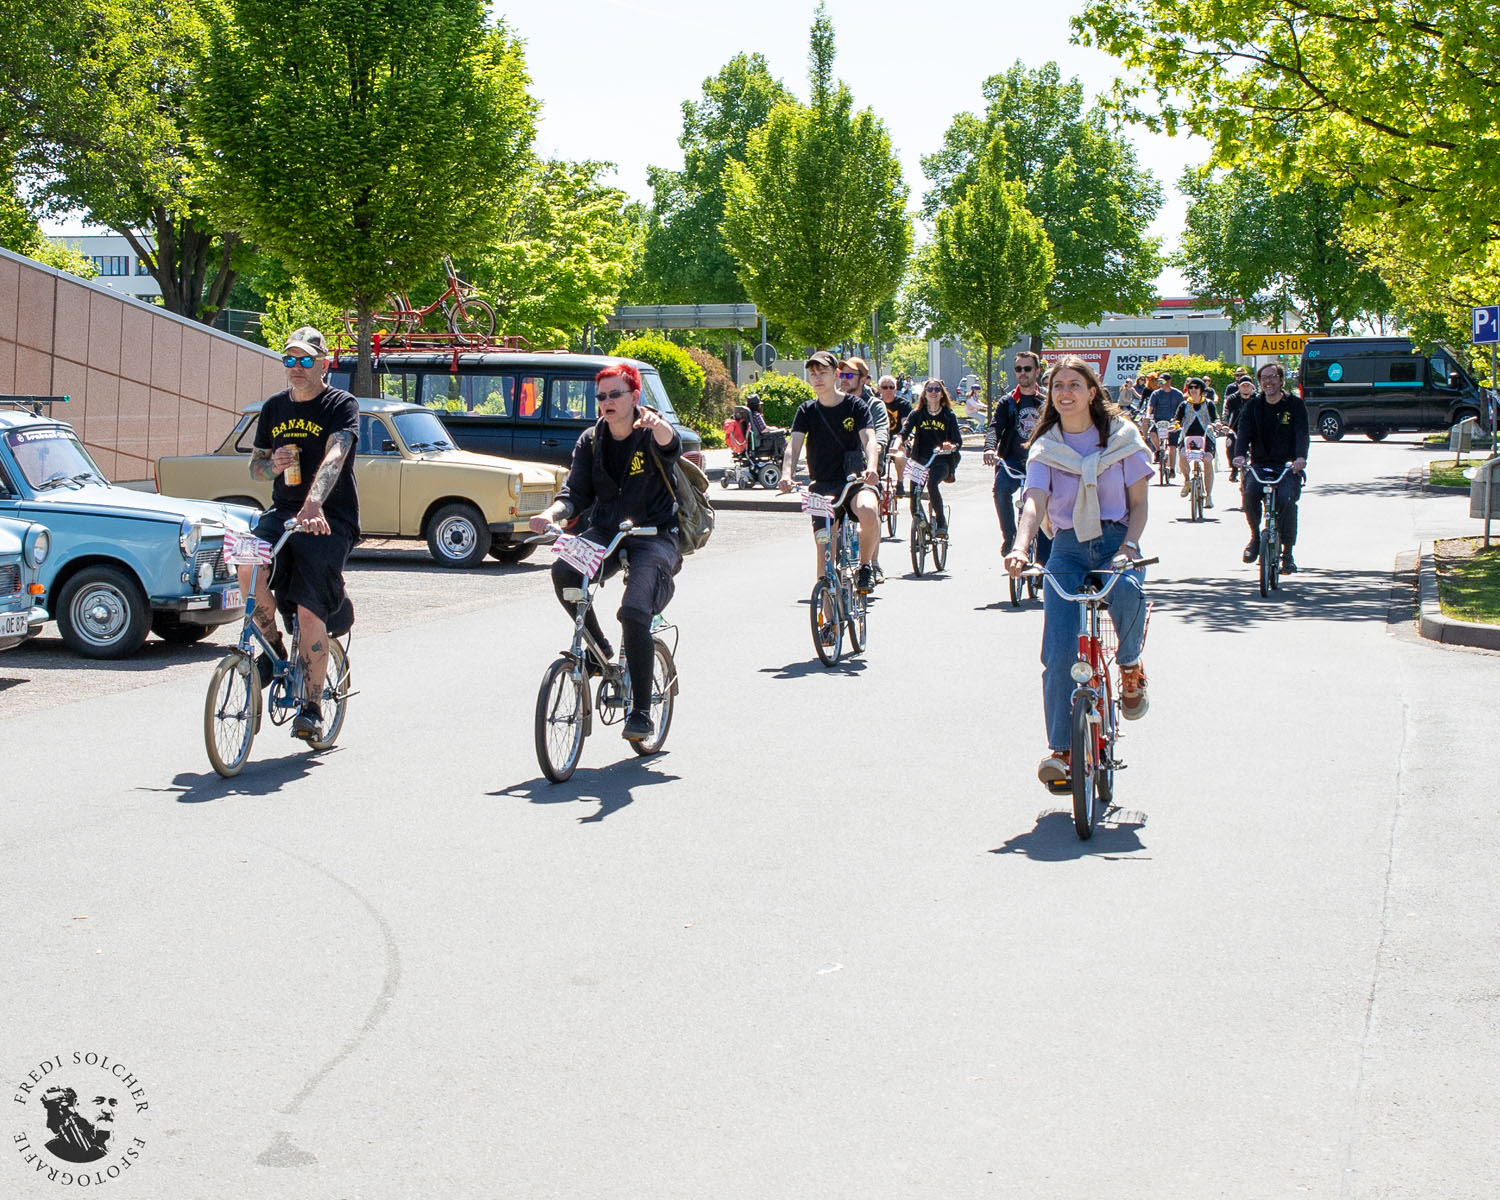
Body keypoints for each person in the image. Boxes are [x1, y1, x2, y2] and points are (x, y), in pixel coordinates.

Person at [1003, 356, 1153, 786]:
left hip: (1116, 538)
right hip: (1067, 548)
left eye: (1073, 384)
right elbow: (1034, 501)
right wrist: (1019, 547)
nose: (1064, 392)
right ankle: (1061, 750)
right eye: (1057, 386)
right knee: (1058, 652)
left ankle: (1129, 667)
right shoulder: (1046, 447)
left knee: (1127, 591)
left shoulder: (1123, 438)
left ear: (1092, 392)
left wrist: (1127, 546)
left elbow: (1139, 505)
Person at [530, 363, 682, 742]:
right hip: (607, 531)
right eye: (602, 396)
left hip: (654, 535)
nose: (607, 402)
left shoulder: (650, 432)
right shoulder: (591, 440)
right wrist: (551, 515)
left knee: (633, 612)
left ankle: (642, 712)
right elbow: (575, 494)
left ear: (635, 397)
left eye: (616, 394)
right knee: (565, 572)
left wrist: (658, 424)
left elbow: (671, 445)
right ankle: (599, 651)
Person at [245, 326, 359, 740]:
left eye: (305, 359)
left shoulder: (340, 403)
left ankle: (312, 707)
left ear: (324, 363)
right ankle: (274, 653)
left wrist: (314, 505)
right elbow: (255, 467)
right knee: (247, 565)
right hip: (284, 510)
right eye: (289, 359)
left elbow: (337, 452)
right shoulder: (274, 407)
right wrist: (271, 464)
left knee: (310, 609)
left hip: (330, 516)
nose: (295, 367)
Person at [779, 350, 881, 591]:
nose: (817, 378)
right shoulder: (806, 411)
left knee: (869, 510)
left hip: (853, 482)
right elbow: (793, 447)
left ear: (835, 374)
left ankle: (865, 566)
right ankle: (828, 623)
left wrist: (873, 467)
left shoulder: (855, 406)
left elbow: (869, 439)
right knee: (824, 550)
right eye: (813, 374)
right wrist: (786, 474)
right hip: (822, 486)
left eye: (823, 372)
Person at [1233, 361, 1309, 573]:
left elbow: (1302, 433)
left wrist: (1301, 458)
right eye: (1264, 378)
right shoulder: (1253, 407)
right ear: (1260, 382)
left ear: (1281, 380)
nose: (1269, 381)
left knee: (1286, 499)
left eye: (1273, 377)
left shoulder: (1294, 405)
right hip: (1260, 464)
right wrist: (1239, 456)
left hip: (1287, 466)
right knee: (1249, 493)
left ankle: (1287, 553)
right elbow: (1244, 431)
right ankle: (1256, 538)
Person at [985, 350, 1050, 560]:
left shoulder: (1047, 400)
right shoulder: (1008, 401)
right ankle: (1010, 535)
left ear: (1037, 371)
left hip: (1040, 461)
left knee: (1043, 504)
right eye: (1018, 369)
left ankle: (1042, 560)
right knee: (1001, 489)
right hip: (1012, 460)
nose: (1022, 373)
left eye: (1027, 368)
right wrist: (989, 448)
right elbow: (995, 427)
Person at [841, 357, 890, 583]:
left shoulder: (874, 405)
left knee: (871, 510)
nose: (843, 379)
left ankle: (872, 562)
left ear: (863, 379)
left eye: (849, 375)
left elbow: (880, 431)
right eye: (841, 374)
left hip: (866, 466)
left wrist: (876, 448)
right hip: (841, 466)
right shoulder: (836, 402)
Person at [901, 379, 962, 537]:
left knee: (932, 483)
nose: (933, 392)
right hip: (919, 459)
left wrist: (951, 446)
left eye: (937, 389)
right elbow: (904, 432)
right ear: (925, 393)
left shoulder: (948, 415)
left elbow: (957, 441)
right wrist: (896, 445)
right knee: (914, 495)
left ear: (942, 394)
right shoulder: (917, 414)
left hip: (941, 460)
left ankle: (941, 523)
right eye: (930, 389)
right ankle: (920, 527)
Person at [1175, 377, 1219, 507]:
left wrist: (1217, 425)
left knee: (1207, 459)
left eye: (1196, 387)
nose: (1193, 390)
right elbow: (1177, 419)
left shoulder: (1209, 404)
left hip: (1206, 437)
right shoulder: (1184, 404)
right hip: (1188, 437)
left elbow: (1215, 418)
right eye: (1191, 387)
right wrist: (1175, 426)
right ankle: (1187, 480)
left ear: (1201, 390)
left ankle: (1209, 496)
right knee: (1183, 455)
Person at [41, 1087, 113, 1164]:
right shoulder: (55, 1149)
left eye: (113, 1103)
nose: (107, 1111)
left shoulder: (108, 1140)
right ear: (76, 1104)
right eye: (98, 1101)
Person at [1146, 371, 1185, 478]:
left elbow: (1183, 408)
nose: (1161, 383)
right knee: (1152, 433)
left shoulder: (1177, 394)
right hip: (1159, 421)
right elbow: (1151, 406)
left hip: (1173, 422)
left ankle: (1172, 469)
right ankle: (1158, 451)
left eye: (1163, 381)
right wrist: (1148, 415)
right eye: (1159, 381)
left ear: (1169, 381)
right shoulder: (1156, 394)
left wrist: (1181, 420)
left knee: (1172, 446)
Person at [878, 373, 912, 497]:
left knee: (900, 453)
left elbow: (905, 423)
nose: (888, 390)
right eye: (885, 387)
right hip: (879, 440)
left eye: (891, 387)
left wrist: (904, 436)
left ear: (896, 388)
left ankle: (900, 482)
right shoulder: (875, 404)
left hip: (897, 439)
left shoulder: (903, 404)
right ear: (879, 388)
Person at [1219, 375, 1255, 481]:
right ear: (1239, 386)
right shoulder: (1232, 398)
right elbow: (1226, 412)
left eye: (1248, 385)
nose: (1245, 388)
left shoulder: (1258, 398)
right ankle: (1234, 469)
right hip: (1236, 428)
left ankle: (1256, 469)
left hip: (1253, 429)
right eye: (1243, 385)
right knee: (1230, 443)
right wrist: (1225, 425)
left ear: (1252, 387)